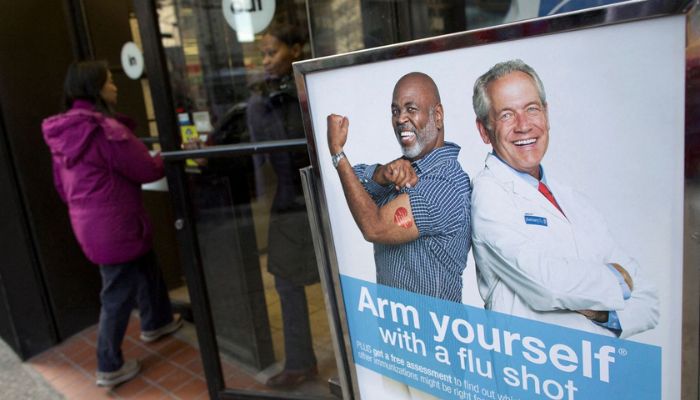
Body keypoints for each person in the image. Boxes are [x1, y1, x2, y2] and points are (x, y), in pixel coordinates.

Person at [470, 59, 658, 338]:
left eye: (531, 109)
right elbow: (548, 286)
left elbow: (649, 304)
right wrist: (616, 280)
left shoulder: (575, 201)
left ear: (546, 114)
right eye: (507, 115)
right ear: (485, 130)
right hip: (535, 371)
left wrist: (601, 312)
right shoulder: (488, 196)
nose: (524, 126)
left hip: (594, 368)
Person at [41, 61, 182, 387]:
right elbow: (146, 170)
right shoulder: (104, 130)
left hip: (89, 224)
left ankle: (157, 321)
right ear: (96, 89)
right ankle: (109, 365)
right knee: (117, 291)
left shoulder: (63, 134)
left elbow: (63, 189)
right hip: (116, 224)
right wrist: (169, 154)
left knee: (145, 265)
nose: (115, 87)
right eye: (109, 82)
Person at [327, 72, 471, 302]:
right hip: (397, 330)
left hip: (432, 334)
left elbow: (374, 227)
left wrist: (337, 152)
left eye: (411, 109)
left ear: (438, 115)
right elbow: (354, 182)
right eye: (396, 111)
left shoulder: (446, 186)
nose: (401, 119)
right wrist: (382, 174)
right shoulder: (403, 170)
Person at [246, 24, 319, 388]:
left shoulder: (313, 88)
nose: (266, 61)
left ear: (295, 48)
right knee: (286, 282)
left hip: (322, 200)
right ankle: (300, 362)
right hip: (289, 202)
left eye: (272, 51)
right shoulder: (265, 100)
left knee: (345, 281)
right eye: (263, 54)